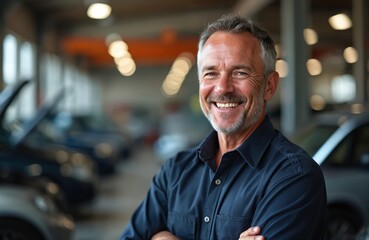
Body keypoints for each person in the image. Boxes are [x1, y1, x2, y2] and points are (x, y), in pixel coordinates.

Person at [119, 14, 328, 240]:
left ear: (269, 86)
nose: (222, 88)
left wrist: (163, 237)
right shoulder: (175, 171)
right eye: (211, 73)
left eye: (239, 72)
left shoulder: (294, 178)